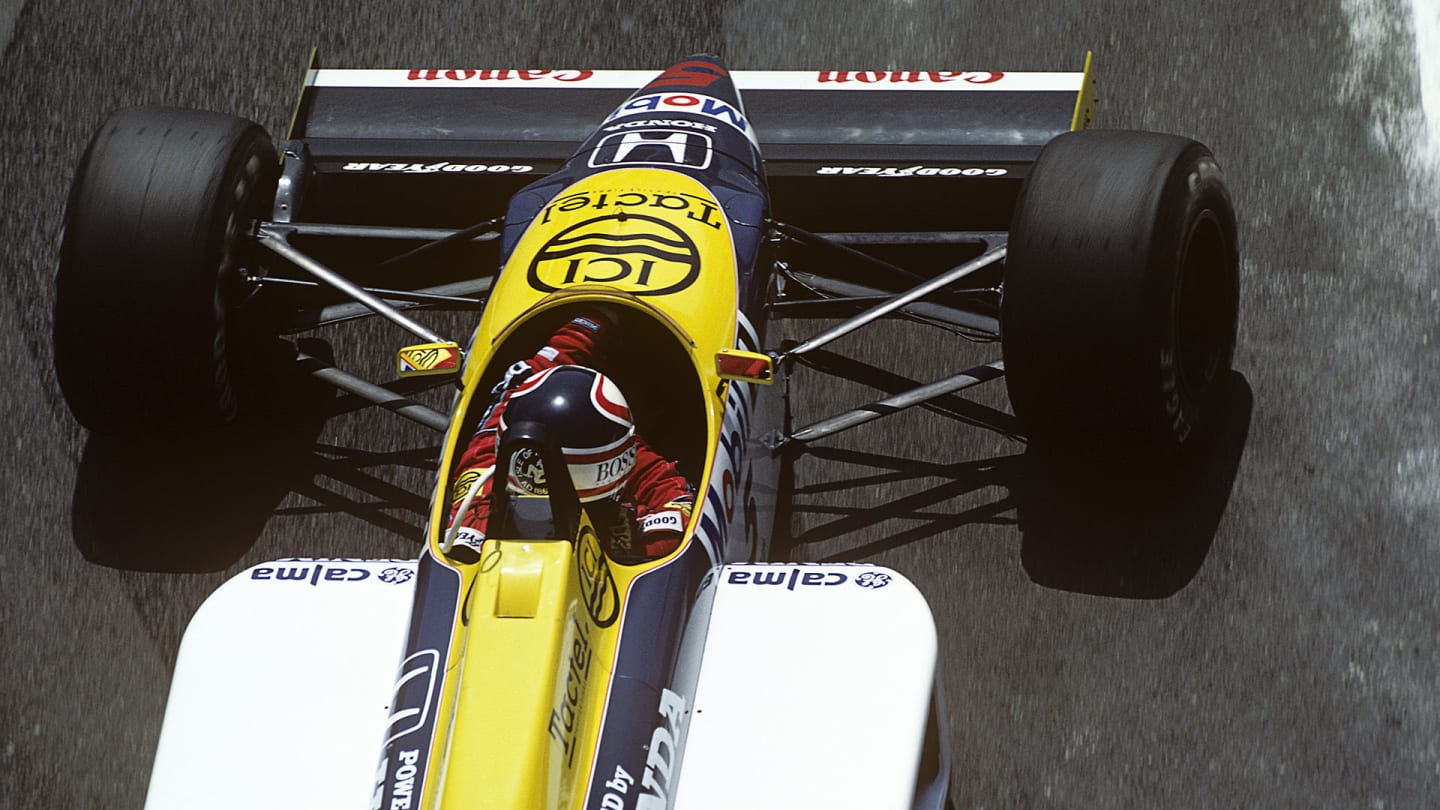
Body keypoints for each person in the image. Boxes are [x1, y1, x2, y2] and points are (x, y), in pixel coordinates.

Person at [445, 309, 694, 562]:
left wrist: (601, 315)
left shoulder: (609, 440)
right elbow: (466, 542)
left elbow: (670, 496)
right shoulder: (483, 472)